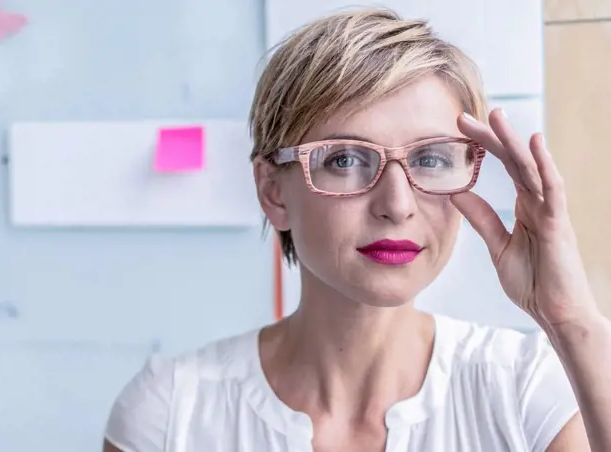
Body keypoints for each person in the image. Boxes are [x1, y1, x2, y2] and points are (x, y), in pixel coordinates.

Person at [103, 8, 611, 452]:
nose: (397, 205)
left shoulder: (529, 392)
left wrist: (571, 322)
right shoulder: (170, 414)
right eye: (345, 159)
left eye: (430, 158)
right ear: (274, 192)